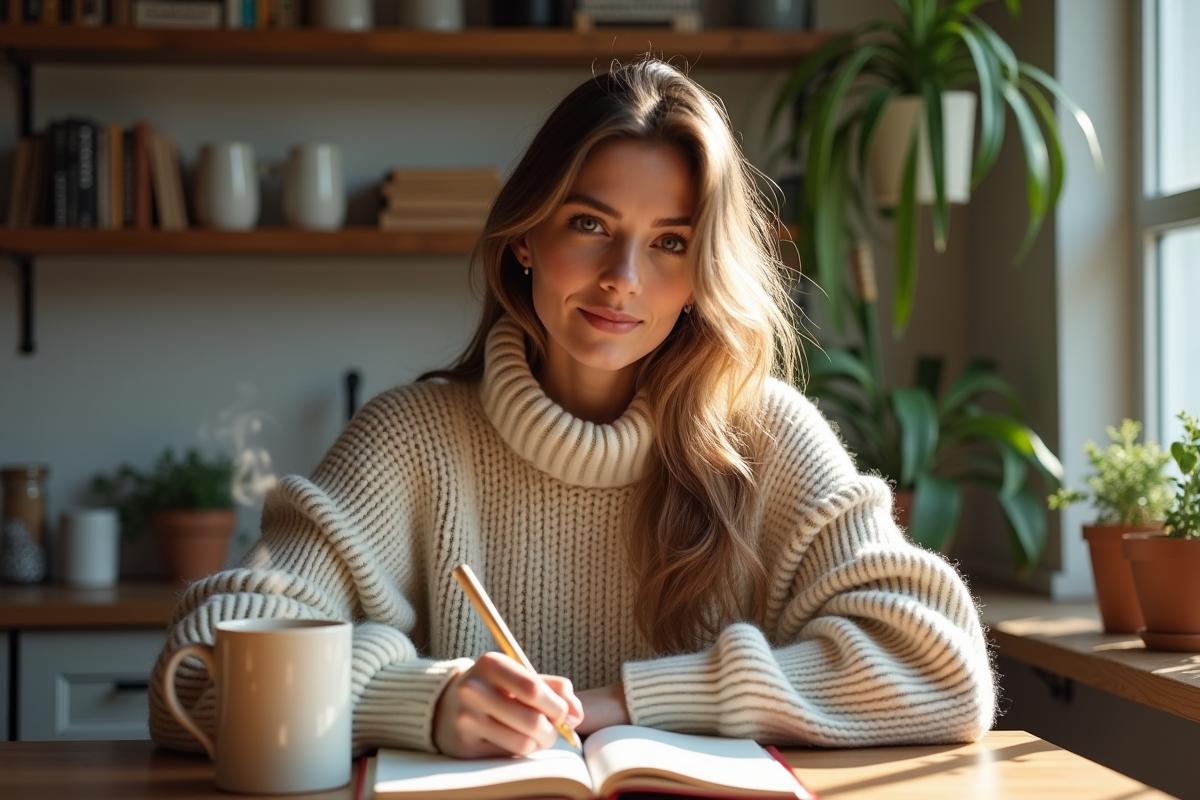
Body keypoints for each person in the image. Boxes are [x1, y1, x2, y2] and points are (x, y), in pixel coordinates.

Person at [149, 58, 995, 760]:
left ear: (703, 273)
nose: (624, 277)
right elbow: (197, 670)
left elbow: (942, 669)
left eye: (670, 241)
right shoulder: (411, 441)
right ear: (525, 237)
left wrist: (628, 699)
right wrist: (422, 698)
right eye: (589, 224)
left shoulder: (767, 435)